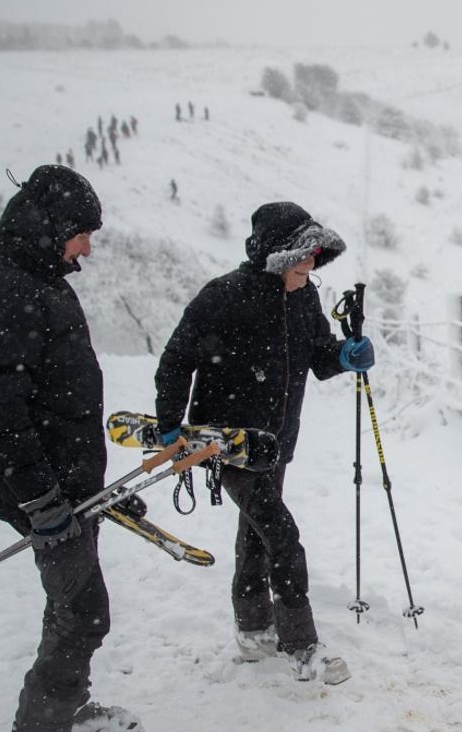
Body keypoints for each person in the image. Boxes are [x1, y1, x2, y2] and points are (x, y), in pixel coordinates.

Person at [0, 164, 133, 732]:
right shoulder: (1, 288)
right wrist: (40, 497)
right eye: (81, 233)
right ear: (48, 226)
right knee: (82, 612)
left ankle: (68, 709)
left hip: (67, 482)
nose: (87, 246)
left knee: (76, 601)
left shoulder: (35, 277)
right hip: (44, 489)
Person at [154, 202, 373, 682]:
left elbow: (318, 354)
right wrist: (170, 423)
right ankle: (302, 645)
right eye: (301, 261)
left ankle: (253, 627)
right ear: (277, 257)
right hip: (227, 443)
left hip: (277, 442)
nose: (309, 269)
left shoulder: (303, 298)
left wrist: (345, 355)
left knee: (256, 530)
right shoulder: (223, 297)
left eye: (313, 260)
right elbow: (175, 360)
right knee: (282, 537)